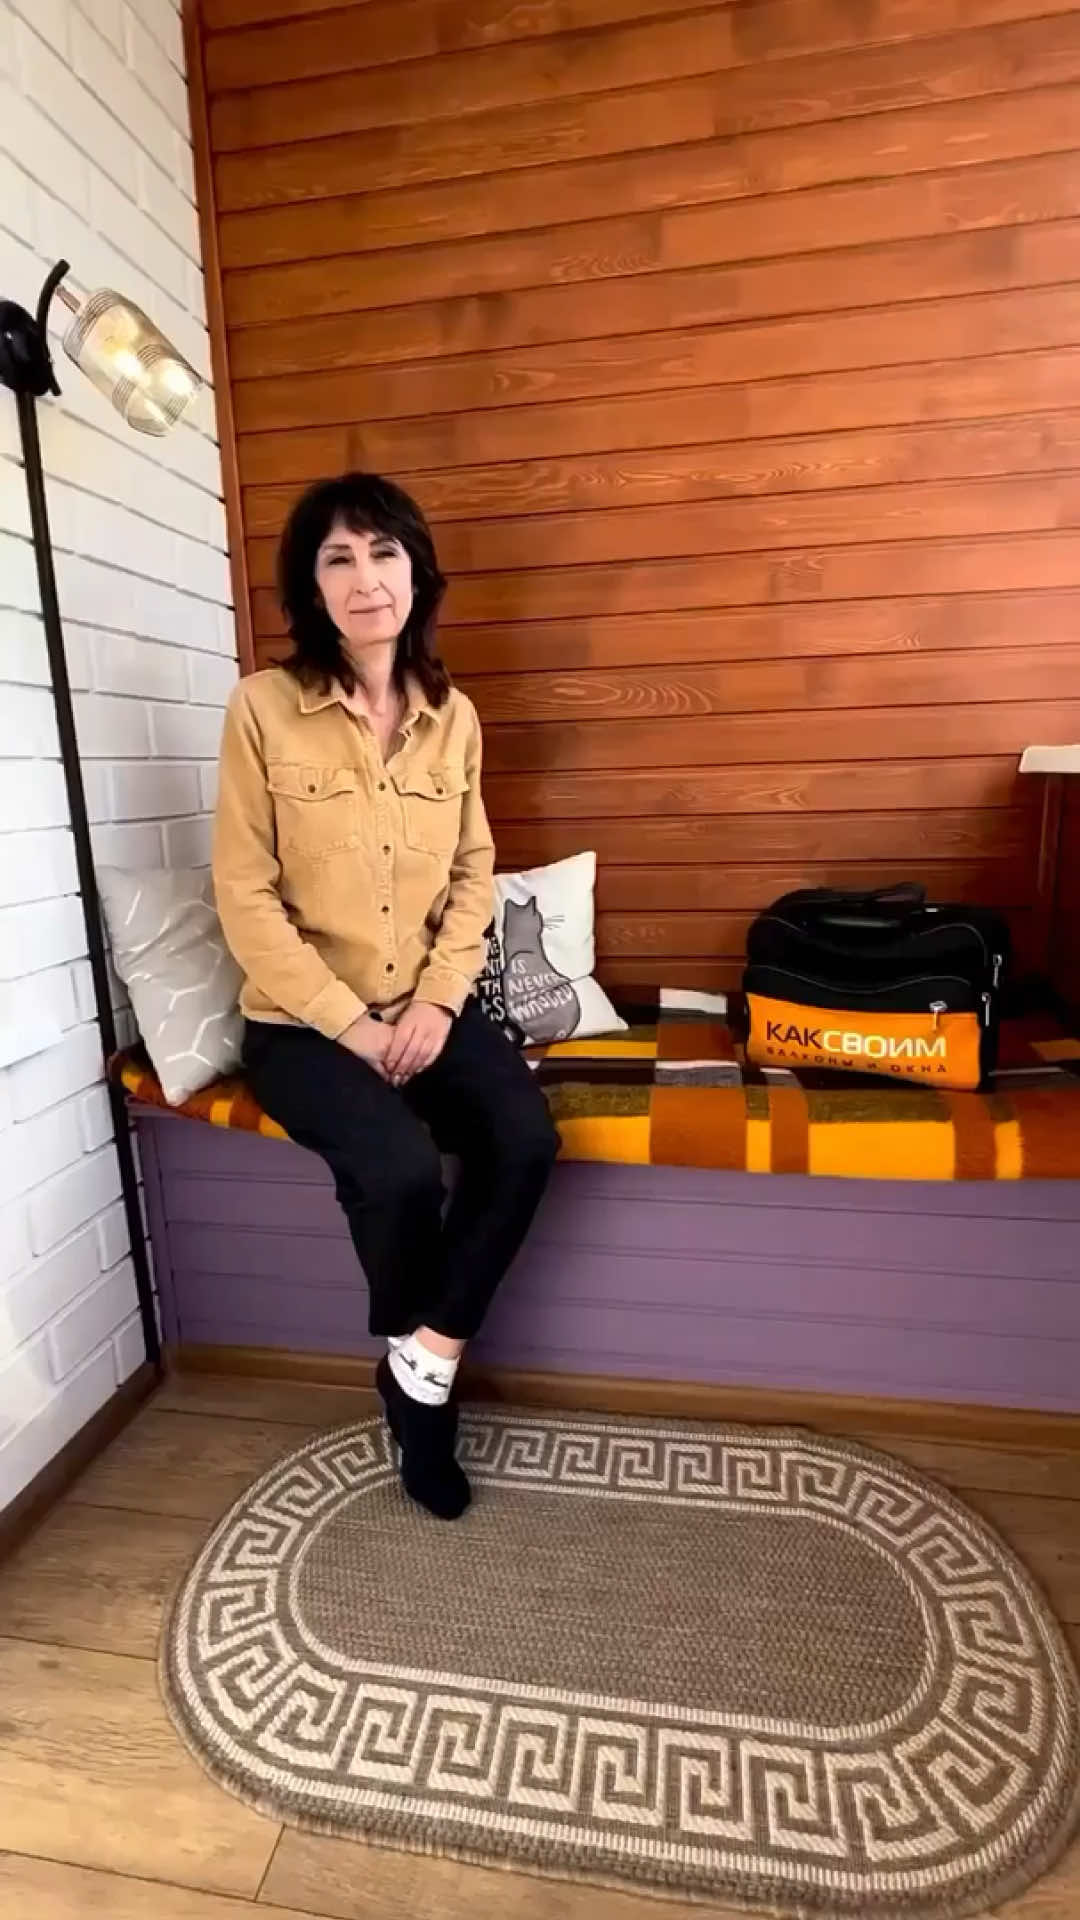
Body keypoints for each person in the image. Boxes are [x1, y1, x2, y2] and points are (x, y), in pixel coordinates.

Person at [212, 473, 559, 1520]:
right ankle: (428, 1405)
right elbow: (244, 895)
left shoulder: (455, 718)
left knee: (525, 1140)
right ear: (311, 587)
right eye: (339, 558)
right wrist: (354, 1028)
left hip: (427, 1006)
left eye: (384, 553)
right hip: (301, 1024)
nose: (366, 579)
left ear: (418, 573)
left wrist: (439, 1005)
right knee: (401, 1171)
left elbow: (474, 874)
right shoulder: (261, 708)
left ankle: (422, 1362)